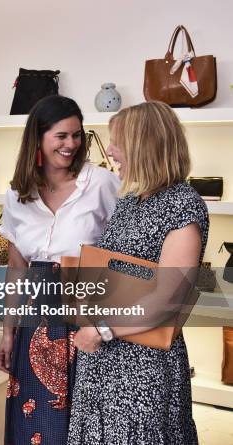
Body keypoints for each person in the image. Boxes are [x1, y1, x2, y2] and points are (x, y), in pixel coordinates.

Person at [67, 101, 206, 445]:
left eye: (117, 142)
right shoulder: (131, 199)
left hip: (142, 369)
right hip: (103, 362)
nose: (110, 150)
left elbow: (166, 299)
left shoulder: (182, 206)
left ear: (144, 144)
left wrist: (101, 329)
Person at [0, 95, 120, 445]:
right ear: (39, 137)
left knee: (86, 423)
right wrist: (7, 333)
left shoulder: (102, 184)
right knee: (33, 422)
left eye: (76, 135)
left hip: (86, 316)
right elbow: (17, 269)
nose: (71, 144)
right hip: (34, 322)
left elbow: (120, 255)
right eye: (61, 136)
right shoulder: (17, 194)